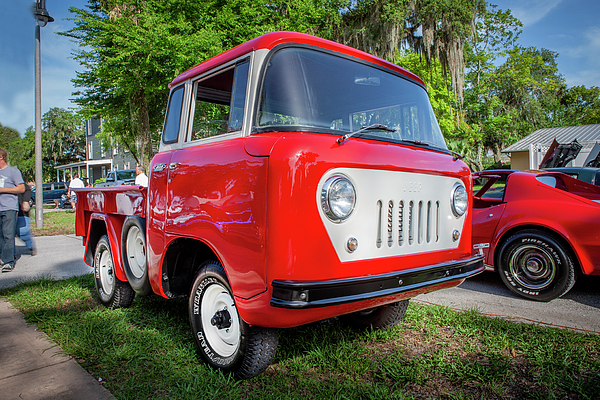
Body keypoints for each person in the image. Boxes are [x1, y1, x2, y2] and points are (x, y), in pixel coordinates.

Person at [0, 148, 25, 273]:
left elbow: (21, 188)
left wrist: (3, 190)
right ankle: (3, 258)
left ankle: (8, 261)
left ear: (1, 157)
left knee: (8, 235)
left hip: (9, 207)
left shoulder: (13, 171)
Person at [16, 181, 36, 256]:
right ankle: (10, 254)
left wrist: (25, 201)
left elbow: (27, 189)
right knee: (6, 235)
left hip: (21, 211)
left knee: (23, 232)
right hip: (5, 211)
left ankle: (30, 246)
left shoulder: (13, 176)